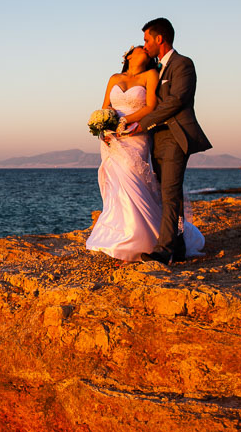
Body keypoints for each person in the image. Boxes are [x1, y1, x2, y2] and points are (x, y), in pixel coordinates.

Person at [135, 18, 212, 264]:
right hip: (156, 140)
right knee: (169, 194)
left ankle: (163, 249)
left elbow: (176, 100)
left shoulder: (183, 65)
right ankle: (177, 246)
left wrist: (144, 122)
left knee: (169, 193)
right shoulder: (155, 70)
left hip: (175, 137)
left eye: (147, 39)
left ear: (160, 39)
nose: (144, 45)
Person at [86, 46, 165, 261]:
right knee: (116, 184)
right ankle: (118, 235)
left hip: (135, 134)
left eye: (147, 51)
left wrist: (125, 121)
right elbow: (106, 107)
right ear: (129, 55)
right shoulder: (114, 78)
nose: (145, 51)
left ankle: (144, 238)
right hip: (112, 137)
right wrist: (103, 126)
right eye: (141, 49)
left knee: (133, 180)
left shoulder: (150, 75)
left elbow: (151, 106)